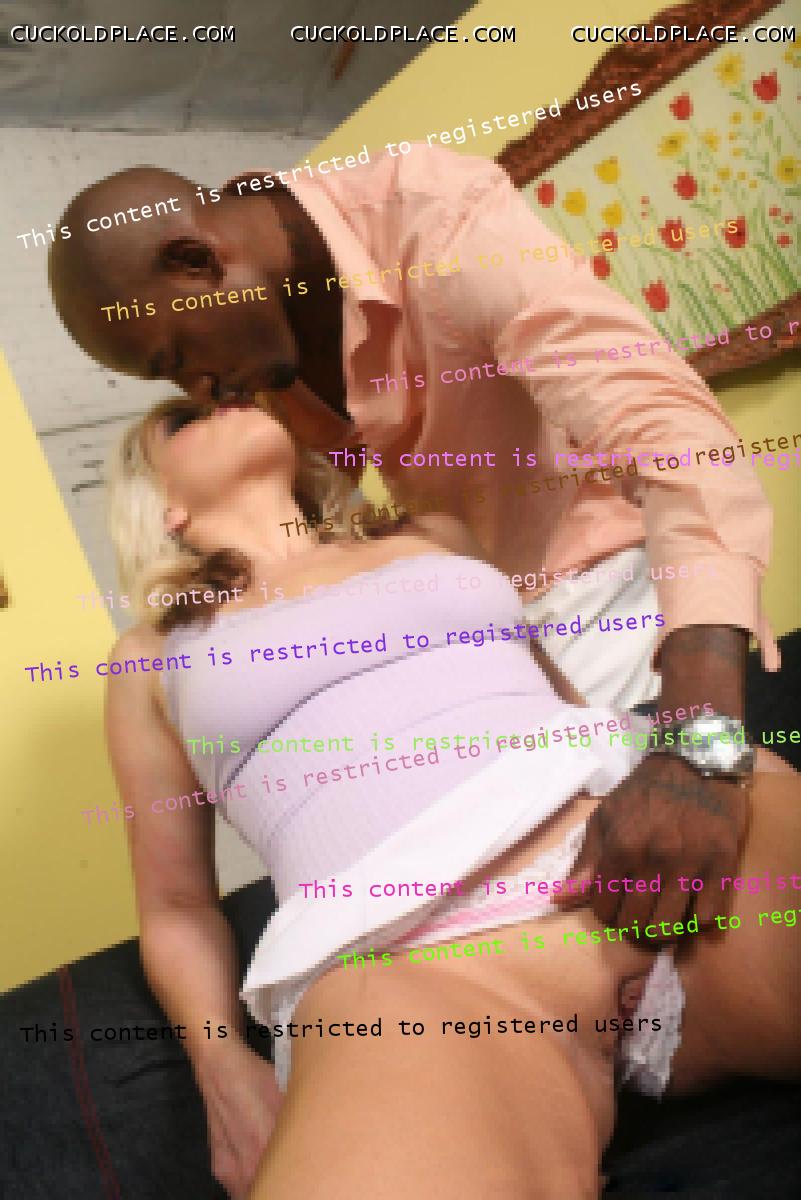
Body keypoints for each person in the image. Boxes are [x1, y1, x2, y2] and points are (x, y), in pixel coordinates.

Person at [49, 148, 775, 935]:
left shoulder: (439, 218)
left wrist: (698, 739)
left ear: (196, 260)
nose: (204, 391)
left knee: (698, 888)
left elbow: (666, 433)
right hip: (490, 664)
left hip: (604, 598)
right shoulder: (258, 377)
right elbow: (176, 900)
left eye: (177, 359)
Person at [103, 394, 799, 1199]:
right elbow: (176, 905)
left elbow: (561, 704)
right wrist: (222, 1063)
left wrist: (700, 767)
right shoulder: (148, 658)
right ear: (166, 507)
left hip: (638, 846)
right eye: (186, 419)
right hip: (410, 970)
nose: (222, 399)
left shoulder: (432, 537)